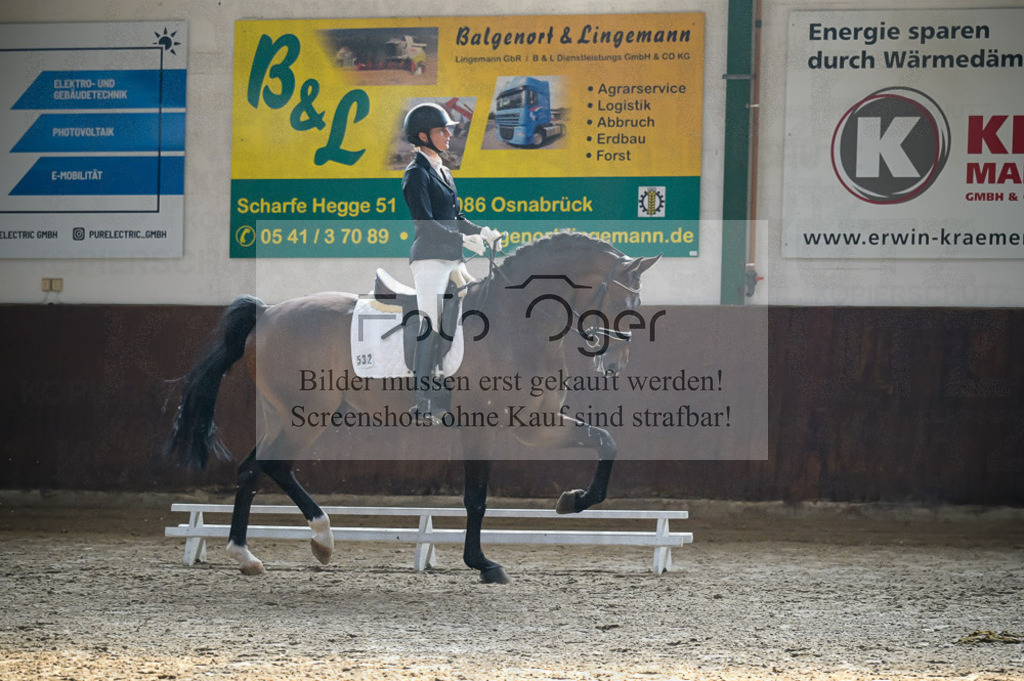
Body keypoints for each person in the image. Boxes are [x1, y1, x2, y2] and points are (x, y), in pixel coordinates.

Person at [401, 102, 501, 421]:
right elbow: (425, 225)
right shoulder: (415, 174)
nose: (448, 135)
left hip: (453, 259)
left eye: (448, 130)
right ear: (423, 136)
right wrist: (462, 240)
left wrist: (480, 231)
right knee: (432, 319)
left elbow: (454, 217)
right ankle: (424, 400)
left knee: (477, 308)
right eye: (441, 130)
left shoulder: (443, 169)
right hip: (429, 260)